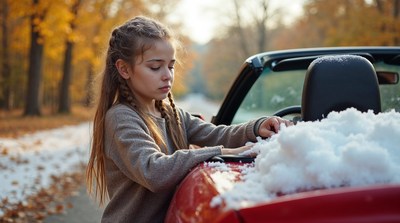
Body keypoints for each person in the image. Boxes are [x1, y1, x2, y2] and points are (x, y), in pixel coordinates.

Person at [86, 16, 292, 223]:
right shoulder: (121, 118)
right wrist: (222, 152)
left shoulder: (172, 114)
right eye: (155, 67)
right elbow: (154, 171)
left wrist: (257, 127)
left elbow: (218, 133)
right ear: (124, 69)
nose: (167, 75)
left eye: (171, 66)